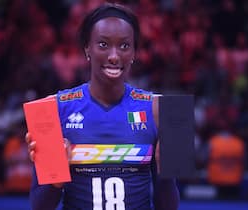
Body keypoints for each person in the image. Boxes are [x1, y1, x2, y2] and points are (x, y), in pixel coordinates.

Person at [25, 3, 180, 210]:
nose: (114, 56)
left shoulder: (165, 110)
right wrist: (55, 180)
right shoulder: (51, 108)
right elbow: (39, 207)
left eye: (124, 46)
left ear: (135, 52)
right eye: (103, 44)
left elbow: (169, 207)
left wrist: (167, 175)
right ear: (87, 48)